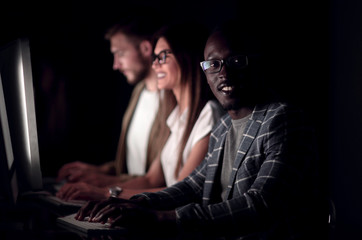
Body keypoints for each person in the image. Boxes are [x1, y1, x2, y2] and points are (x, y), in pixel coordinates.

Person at [75, 20, 325, 240]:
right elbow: (192, 185)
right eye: (214, 64)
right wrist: (131, 204)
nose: (224, 73)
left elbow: (261, 205)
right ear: (204, 70)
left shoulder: (285, 119)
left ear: (256, 63)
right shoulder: (223, 126)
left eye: (236, 61)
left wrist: (161, 218)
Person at [56, 21, 224, 201]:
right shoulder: (175, 117)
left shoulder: (208, 114)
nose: (155, 65)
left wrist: (106, 193)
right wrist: (94, 190)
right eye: (155, 58)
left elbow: (180, 192)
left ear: (186, 56)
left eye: (162, 57)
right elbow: (151, 179)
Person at [56, 15, 167, 190]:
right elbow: (131, 164)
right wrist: (100, 170)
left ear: (146, 48)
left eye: (120, 54)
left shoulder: (172, 102)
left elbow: (158, 179)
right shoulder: (139, 92)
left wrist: (104, 184)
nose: (116, 65)